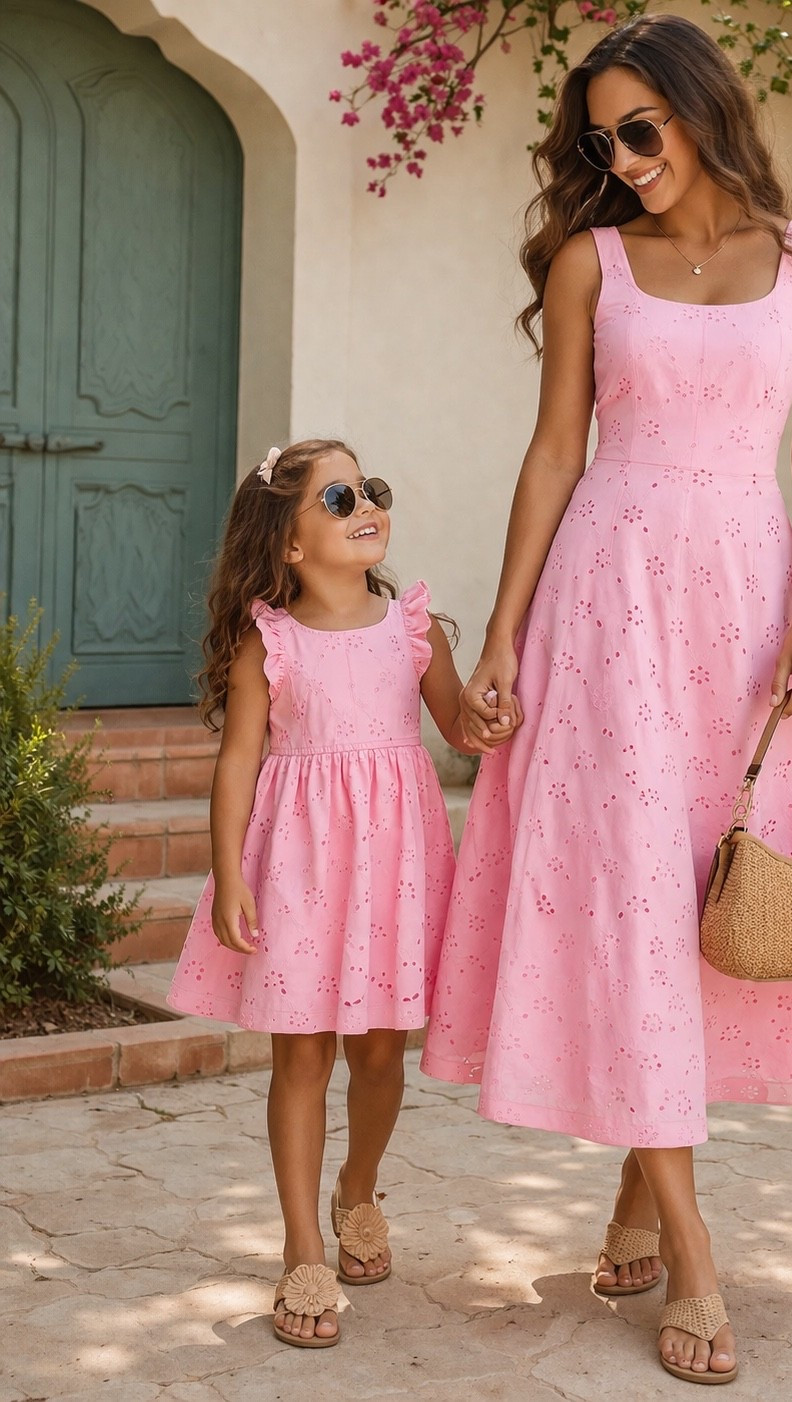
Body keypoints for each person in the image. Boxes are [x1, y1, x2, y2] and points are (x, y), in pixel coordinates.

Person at [421, 13, 792, 1386]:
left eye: (639, 129)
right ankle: (688, 1247)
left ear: (697, 109)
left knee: (701, 895)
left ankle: (633, 1185)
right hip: (606, 611)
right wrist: (499, 635)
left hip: (741, 610)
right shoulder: (587, 261)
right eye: (595, 139)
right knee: (625, 893)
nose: (618, 157)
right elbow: (556, 450)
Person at [167, 439, 517, 1349]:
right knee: (301, 1059)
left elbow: (456, 729)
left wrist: (489, 717)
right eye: (338, 496)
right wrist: (231, 871)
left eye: (371, 490)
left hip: (395, 866)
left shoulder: (413, 628)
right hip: (298, 865)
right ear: (286, 542)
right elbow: (240, 758)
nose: (365, 504)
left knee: (377, 1056)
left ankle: (358, 1185)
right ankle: (300, 1247)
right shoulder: (267, 640)